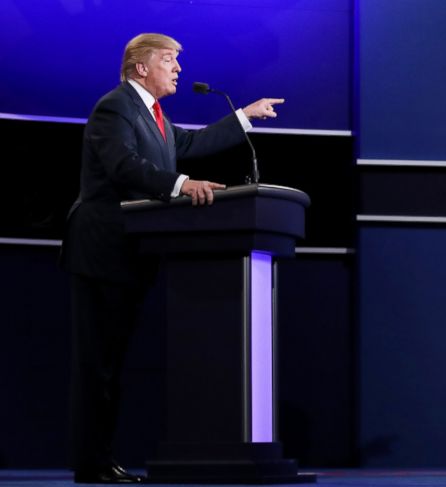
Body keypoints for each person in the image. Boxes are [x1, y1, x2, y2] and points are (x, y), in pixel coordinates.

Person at [59, 33, 284, 483]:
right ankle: (91, 463)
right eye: (169, 60)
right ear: (141, 68)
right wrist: (183, 186)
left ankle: (101, 459)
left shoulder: (155, 116)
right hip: (103, 252)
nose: (178, 68)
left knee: (114, 365)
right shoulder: (115, 107)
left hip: (132, 255)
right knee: (98, 365)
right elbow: (123, 166)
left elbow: (186, 146)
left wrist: (244, 116)